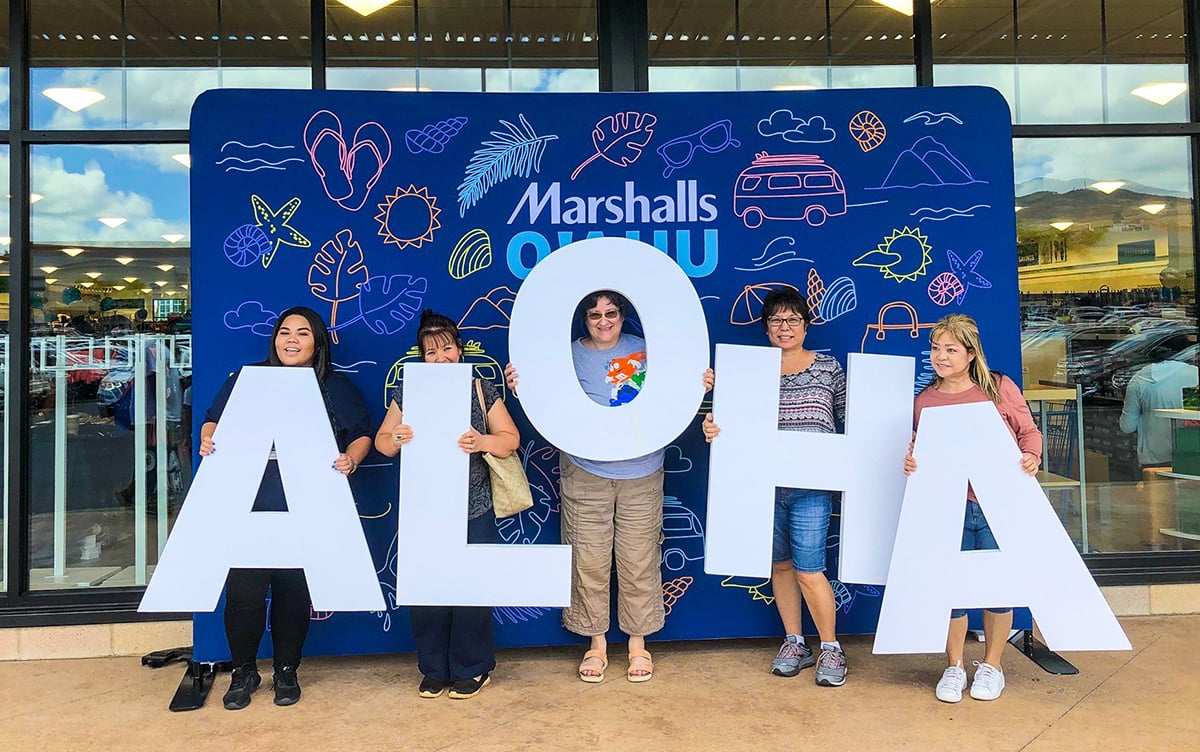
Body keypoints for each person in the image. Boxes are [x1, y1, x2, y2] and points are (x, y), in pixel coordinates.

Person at [201, 306, 372, 710]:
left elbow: (362, 434)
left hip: (307, 501)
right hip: (250, 501)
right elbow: (212, 420)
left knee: (293, 591)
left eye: (303, 333)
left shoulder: (335, 387)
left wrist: (351, 458)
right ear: (274, 339)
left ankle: (286, 670)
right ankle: (244, 671)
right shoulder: (247, 379)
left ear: (317, 343)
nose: (291, 339)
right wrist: (210, 440)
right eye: (284, 332)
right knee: (244, 592)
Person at [505, 291, 679, 683]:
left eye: (611, 313)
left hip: (643, 470)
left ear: (623, 314)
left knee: (639, 557)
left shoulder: (650, 350)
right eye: (595, 315)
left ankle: (638, 643)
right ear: (584, 319)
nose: (604, 322)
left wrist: (696, 382)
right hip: (586, 470)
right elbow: (543, 397)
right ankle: (596, 643)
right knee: (588, 558)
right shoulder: (566, 356)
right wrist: (522, 386)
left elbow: (677, 392)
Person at [700, 288, 849, 687]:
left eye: (793, 319)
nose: (785, 327)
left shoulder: (828, 368)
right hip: (760, 483)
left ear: (806, 324)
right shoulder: (747, 370)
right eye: (776, 321)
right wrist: (713, 427)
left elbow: (849, 422)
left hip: (812, 484)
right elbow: (727, 422)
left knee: (810, 569)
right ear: (766, 327)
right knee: (780, 566)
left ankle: (831, 648)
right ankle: (795, 642)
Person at [376, 310, 520, 700]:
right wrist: (398, 437)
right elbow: (382, 442)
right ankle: (434, 667)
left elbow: (510, 439)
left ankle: (472, 667)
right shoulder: (408, 391)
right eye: (431, 352)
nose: (441, 358)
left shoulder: (480, 388)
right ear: (421, 357)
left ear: (460, 350)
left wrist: (482, 441)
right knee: (427, 591)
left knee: (471, 590)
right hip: (425, 509)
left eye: (447, 349)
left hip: (473, 507)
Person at [903, 313, 1042, 703]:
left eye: (950, 349)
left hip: (999, 503)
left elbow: (1029, 432)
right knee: (952, 590)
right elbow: (920, 451)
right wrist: (912, 461)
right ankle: (955, 666)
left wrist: (1031, 455)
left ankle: (992, 666)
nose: (940, 357)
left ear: (970, 353)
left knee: (998, 588)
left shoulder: (998, 388)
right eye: (935, 348)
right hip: (951, 508)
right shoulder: (925, 401)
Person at [1119, 357, 1199, 468]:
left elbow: (1127, 426)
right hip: (1192, 455)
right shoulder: (1195, 373)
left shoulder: (1139, 379)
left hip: (1154, 459)